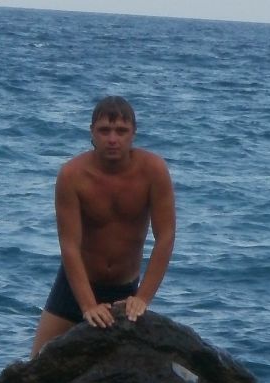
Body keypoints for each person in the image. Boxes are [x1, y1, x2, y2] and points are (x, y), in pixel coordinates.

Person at [31, 96, 176, 357]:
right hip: (75, 287)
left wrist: (142, 298)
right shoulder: (72, 175)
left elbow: (165, 237)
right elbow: (69, 245)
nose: (112, 139)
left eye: (121, 131)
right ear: (92, 133)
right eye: (104, 130)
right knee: (36, 364)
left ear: (133, 133)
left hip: (124, 290)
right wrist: (87, 305)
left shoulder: (154, 171)